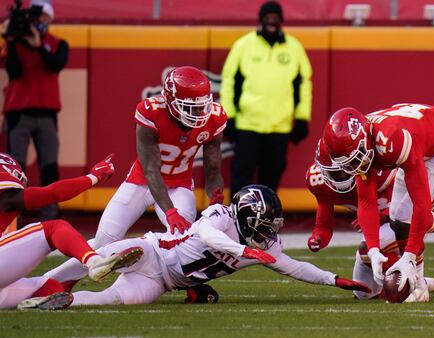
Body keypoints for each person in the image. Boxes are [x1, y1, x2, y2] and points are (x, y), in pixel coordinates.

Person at [27, 185, 371, 307]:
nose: (269, 233)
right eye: (265, 225)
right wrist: (243, 252)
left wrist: (333, 280)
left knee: (112, 300)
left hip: (162, 282)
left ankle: (62, 300)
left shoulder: (262, 244)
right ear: (248, 217)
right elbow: (208, 236)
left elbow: (293, 267)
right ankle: (54, 279)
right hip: (155, 251)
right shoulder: (221, 217)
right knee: (106, 255)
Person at [44, 66, 227, 287]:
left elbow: (213, 169)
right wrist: (170, 211)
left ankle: (192, 288)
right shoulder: (150, 112)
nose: (198, 114)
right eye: (190, 108)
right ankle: (52, 281)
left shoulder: (214, 117)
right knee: (104, 241)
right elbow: (151, 170)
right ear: (170, 101)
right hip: (141, 182)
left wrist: (214, 196)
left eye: (201, 107)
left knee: (184, 244)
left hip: (179, 185)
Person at [321, 103, 434, 299]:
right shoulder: (362, 139)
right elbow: (366, 202)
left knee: (406, 218)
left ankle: (420, 285)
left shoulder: (391, 140)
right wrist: (374, 250)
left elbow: (421, 204)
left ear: (363, 140)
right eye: (347, 162)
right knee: (397, 220)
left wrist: (409, 255)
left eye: (353, 158)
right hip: (417, 145)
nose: (352, 166)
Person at [0, 152, 144, 310]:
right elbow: (50, 194)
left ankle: (31, 306)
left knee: (51, 287)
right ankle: (94, 262)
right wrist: (93, 177)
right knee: (53, 228)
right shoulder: (8, 195)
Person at [220, 0, 313, 196]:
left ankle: (266, 223)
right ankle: (236, 221)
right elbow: (229, 81)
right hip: (247, 125)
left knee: (270, 181)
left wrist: (302, 117)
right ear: (261, 20)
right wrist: (229, 115)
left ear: (281, 21)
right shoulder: (243, 45)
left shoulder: (294, 48)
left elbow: (303, 84)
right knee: (241, 178)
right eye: (268, 18)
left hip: (280, 126)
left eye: (276, 18)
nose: (271, 22)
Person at [1, 0, 68, 221]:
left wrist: (38, 46)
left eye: (43, 17)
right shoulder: (16, 44)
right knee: (15, 167)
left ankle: (50, 213)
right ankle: (13, 215)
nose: (39, 21)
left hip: (47, 113)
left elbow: (56, 64)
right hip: (19, 112)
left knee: (49, 165)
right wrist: (11, 41)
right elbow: (13, 71)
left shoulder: (56, 43)